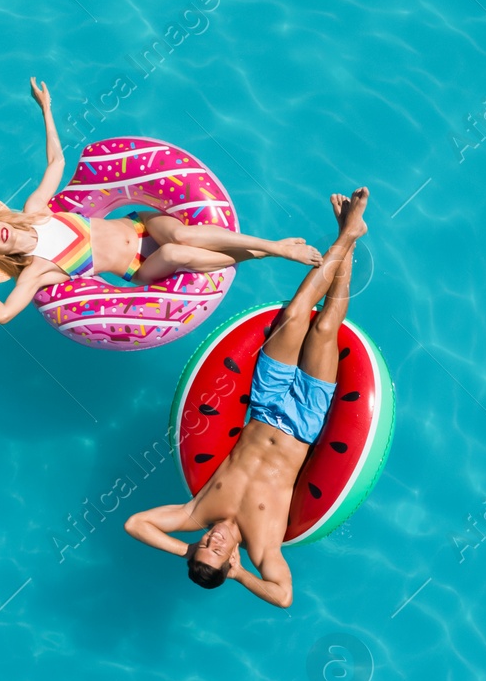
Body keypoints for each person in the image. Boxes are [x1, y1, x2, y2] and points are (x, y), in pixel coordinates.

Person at [124, 187, 368, 607]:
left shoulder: (196, 513)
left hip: (264, 403)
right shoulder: (262, 546)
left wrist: (185, 550)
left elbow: (135, 524)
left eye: (203, 545)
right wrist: (238, 575)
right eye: (217, 551)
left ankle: (347, 236)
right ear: (231, 558)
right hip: (304, 420)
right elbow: (283, 596)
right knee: (326, 326)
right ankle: (349, 233)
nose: (213, 540)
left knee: (293, 316)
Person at [0, 78, 323, 325]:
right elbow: (3, 315)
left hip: (141, 221)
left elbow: (57, 162)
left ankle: (272, 248)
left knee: (186, 238)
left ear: (0, 218)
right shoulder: (35, 272)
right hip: (138, 265)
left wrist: (45, 109)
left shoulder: (35, 211)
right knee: (177, 253)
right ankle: (274, 251)